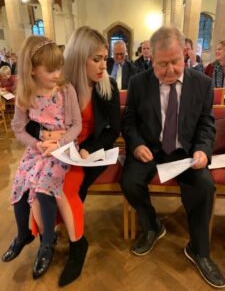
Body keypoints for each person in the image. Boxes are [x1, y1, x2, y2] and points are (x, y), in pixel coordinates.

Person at [120, 26, 225, 288]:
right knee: (130, 181)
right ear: (150, 59)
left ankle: (199, 250)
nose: (170, 70)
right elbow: (129, 122)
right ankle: (153, 224)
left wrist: (203, 149)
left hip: (186, 152)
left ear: (186, 54)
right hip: (150, 149)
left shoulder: (202, 83)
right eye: (162, 64)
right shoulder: (138, 83)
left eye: (175, 62)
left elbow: (206, 124)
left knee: (204, 186)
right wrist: (135, 145)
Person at [24, 26, 121, 286]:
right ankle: (47, 240)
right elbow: (30, 121)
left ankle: (77, 245)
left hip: (89, 153)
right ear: (80, 57)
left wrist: (89, 148)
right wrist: (45, 135)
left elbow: (114, 129)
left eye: (106, 58)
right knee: (35, 186)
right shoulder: (57, 84)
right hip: (59, 150)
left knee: (64, 189)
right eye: (97, 59)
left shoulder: (107, 85)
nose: (104, 65)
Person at [1, 35, 85, 284]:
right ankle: (22, 233)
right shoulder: (25, 93)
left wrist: (58, 143)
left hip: (63, 147)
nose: (58, 73)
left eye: (59, 67)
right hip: (38, 148)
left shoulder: (65, 89)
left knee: (42, 188)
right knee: (19, 182)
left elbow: (76, 125)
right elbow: (18, 129)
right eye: (50, 70)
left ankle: (47, 243)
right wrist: (37, 144)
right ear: (32, 70)